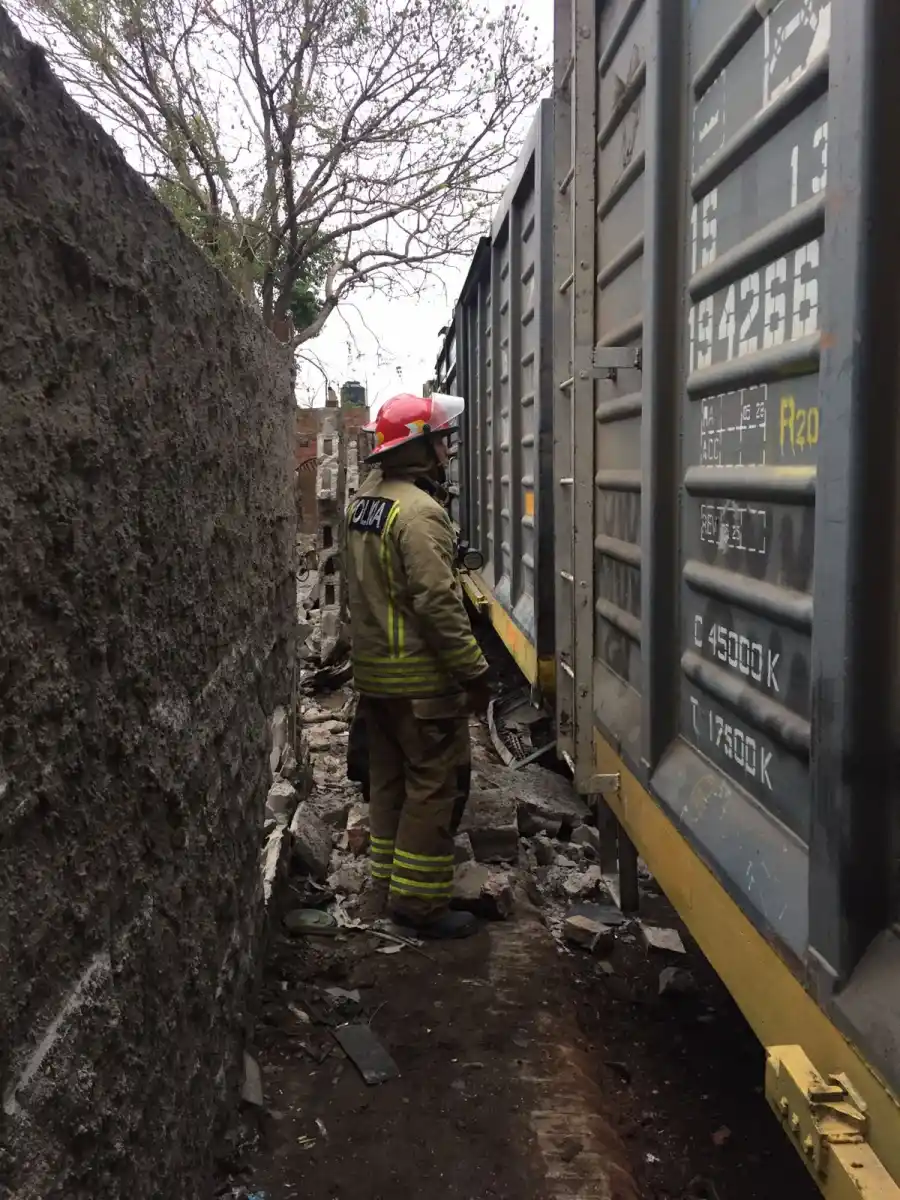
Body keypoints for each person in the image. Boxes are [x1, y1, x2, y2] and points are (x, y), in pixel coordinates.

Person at [345, 392, 490, 939]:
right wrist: (473, 670)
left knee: (389, 781)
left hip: (376, 677)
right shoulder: (421, 513)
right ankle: (420, 905)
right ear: (419, 448)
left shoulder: (364, 502)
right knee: (434, 784)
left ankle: (386, 885)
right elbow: (437, 602)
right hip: (420, 681)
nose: (448, 450)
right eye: (441, 441)